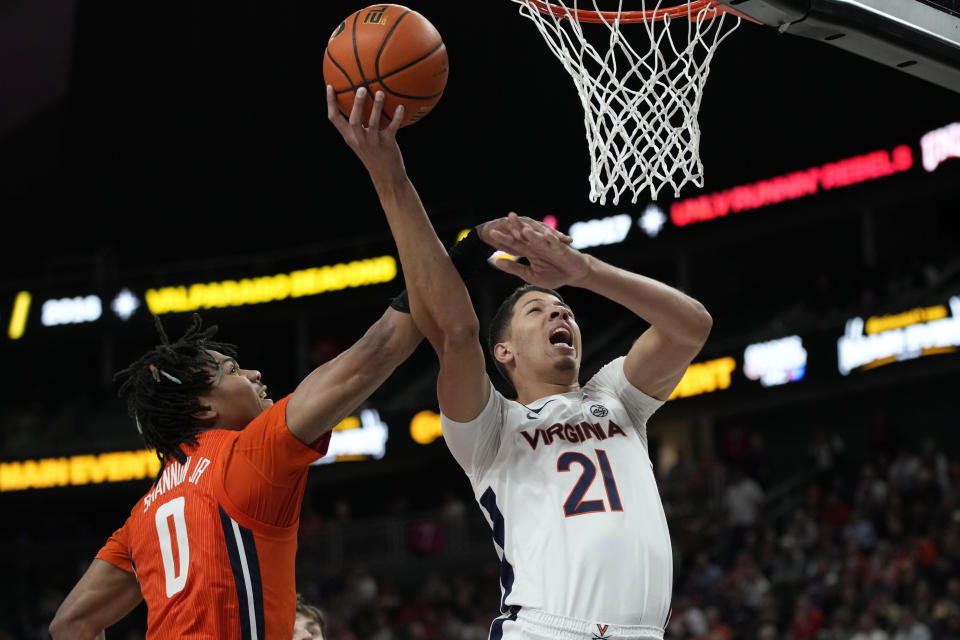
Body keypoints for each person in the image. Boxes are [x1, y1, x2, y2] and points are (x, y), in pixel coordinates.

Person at [328, 87, 712, 640]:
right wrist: (393, 177)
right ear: (502, 350)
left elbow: (692, 325)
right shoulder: (490, 429)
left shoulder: (616, 397)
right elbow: (455, 332)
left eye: (564, 309)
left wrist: (582, 271)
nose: (559, 312)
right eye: (538, 308)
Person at [48, 310, 421, 639]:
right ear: (203, 408)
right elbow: (381, 346)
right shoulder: (248, 454)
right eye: (231, 371)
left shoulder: (142, 515)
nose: (254, 373)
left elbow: (70, 624)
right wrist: (456, 259)